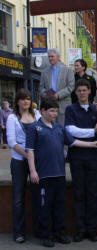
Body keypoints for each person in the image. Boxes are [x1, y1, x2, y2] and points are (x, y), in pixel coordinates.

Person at [26, 96, 97, 248]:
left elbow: (73, 142)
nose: (54, 114)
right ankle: (46, 235)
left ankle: (59, 233)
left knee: (59, 206)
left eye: (56, 111)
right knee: (44, 206)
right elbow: (30, 151)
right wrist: (33, 171)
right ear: (43, 111)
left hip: (59, 174)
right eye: (51, 111)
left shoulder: (59, 128)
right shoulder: (34, 128)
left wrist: (93, 144)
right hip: (43, 175)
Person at [65, 79, 97, 242]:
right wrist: (92, 131)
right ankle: (81, 230)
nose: (82, 93)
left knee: (93, 194)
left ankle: (92, 230)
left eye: (84, 90)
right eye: (79, 90)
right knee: (79, 193)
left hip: (94, 158)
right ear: (75, 92)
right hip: (77, 157)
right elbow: (71, 131)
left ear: (90, 91)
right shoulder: (70, 109)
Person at [6, 89, 41, 243]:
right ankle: (19, 232)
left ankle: (39, 230)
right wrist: (28, 156)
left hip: (37, 161)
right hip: (19, 161)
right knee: (18, 197)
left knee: (38, 195)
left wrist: (34, 157)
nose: (25, 101)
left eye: (28, 99)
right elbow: (12, 142)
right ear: (17, 102)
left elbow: (43, 134)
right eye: (22, 99)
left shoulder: (37, 115)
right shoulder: (12, 118)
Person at [40, 48, 75, 126]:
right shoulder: (44, 72)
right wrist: (45, 94)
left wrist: (58, 95)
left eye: (52, 56)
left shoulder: (68, 70)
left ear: (58, 57)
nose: (50, 58)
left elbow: (71, 86)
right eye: (49, 57)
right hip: (49, 105)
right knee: (49, 128)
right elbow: (41, 88)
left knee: (63, 129)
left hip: (63, 105)